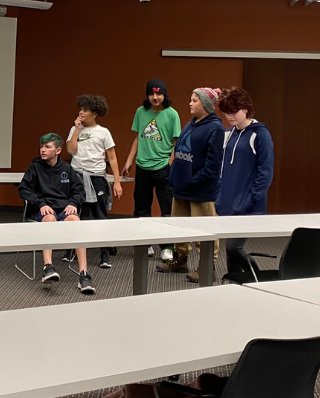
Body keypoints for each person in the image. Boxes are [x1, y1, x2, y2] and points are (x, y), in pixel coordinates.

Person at [22, 133, 94, 295]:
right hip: (44, 209)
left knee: (75, 221)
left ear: (58, 150)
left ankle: (83, 273)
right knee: (49, 219)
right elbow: (24, 189)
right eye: (41, 146)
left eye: (47, 147)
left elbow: (79, 191)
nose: (43, 150)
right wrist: (40, 203)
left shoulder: (67, 170)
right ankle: (47, 267)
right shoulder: (35, 168)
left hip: (64, 208)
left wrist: (73, 203)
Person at [213, 87, 273, 276]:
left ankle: (256, 277)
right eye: (226, 112)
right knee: (230, 250)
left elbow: (266, 170)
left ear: (245, 109)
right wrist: (219, 195)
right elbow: (221, 168)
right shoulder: (228, 135)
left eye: (234, 111)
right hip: (227, 203)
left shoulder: (260, 134)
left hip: (248, 205)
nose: (229, 116)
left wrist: (253, 197)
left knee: (233, 248)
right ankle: (235, 281)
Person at [169, 88, 227, 282]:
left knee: (204, 231)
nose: (190, 103)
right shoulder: (192, 123)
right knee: (180, 226)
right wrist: (175, 176)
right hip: (182, 187)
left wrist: (195, 180)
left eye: (195, 100)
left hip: (200, 190)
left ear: (206, 105)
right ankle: (180, 259)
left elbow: (213, 164)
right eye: (190, 99)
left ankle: (207, 267)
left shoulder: (215, 128)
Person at [123, 79, 181, 264]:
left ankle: (167, 247)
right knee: (141, 208)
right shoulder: (141, 112)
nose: (155, 97)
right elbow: (138, 137)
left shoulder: (172, 114)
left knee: (167, 209)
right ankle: (145, 244)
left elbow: (175, 143)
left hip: (163, 167)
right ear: (147, 95)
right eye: (151, 94)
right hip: (142, 166)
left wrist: (169, 164)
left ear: (165, 94)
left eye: (159, 94)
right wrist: (129, 160)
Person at [67, 95, 122, 269]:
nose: (81, 112)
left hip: (97, 177)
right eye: (80, 109)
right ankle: (71, 251)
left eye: (85, 110)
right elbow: (71, 150)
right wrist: (76, 130)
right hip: (76, 176)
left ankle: (104, 254)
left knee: (99, 215)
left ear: (95, 113)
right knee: (75, 214)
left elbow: (112, 158)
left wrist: (117, 182)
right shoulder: (74, 129)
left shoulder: (103, 132)